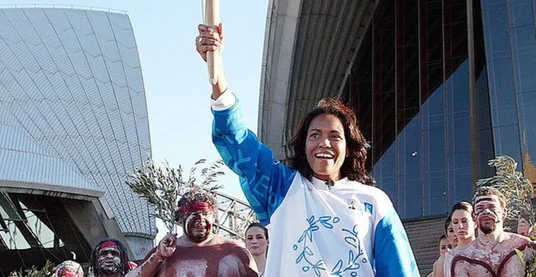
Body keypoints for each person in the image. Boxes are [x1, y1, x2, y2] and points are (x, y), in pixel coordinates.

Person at [195, 24, 419, 276]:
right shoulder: (281, 188)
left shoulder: (374, 201)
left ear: (348, 147)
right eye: (315, 135)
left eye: (334, 136)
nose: (324, 143)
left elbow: (400, 270)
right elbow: (237, 142)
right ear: (304, 145)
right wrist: (217, 71)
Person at [126, 189, 258, 277]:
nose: (200, 220)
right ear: (181, 218)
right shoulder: (163, 253)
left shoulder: (235, 251)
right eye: (194, 214)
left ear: (213, 217)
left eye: (205, 214)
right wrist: (157, 257)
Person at [447, 187, 536, 277]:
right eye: (480, 208)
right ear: (474, 216)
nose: (486, 211)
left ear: (504, 213)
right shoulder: (463, 259)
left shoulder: (524, 246)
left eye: (492, 207)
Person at [434, 202, 476, 277]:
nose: (460, 226)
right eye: (455, 222)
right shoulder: (444, 260)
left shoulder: (488, 251)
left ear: (475, 222)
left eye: (464, 221)